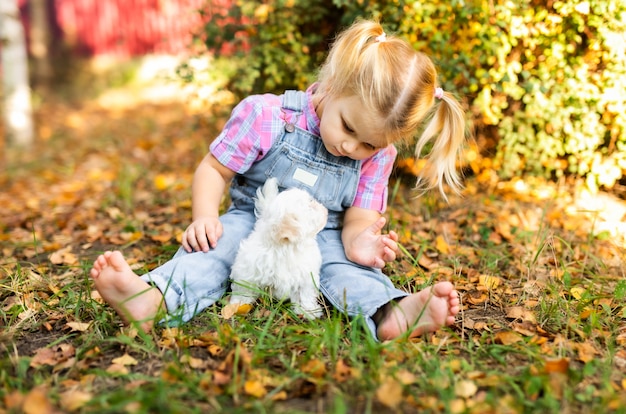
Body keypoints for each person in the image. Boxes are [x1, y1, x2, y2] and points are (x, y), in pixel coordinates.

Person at [90, 19, 464, 341]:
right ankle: (152, 300)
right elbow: (214, 168)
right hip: (252, 221)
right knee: (215, 250)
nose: (351, 146)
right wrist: (204, 216)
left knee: (348, 268)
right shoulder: (267, 116)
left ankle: (390, 313)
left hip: (326, 235)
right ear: (333, 83)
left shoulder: (380, 156)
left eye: (369, 143)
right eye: (348, 127)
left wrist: (359, 243)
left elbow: (360, 218)